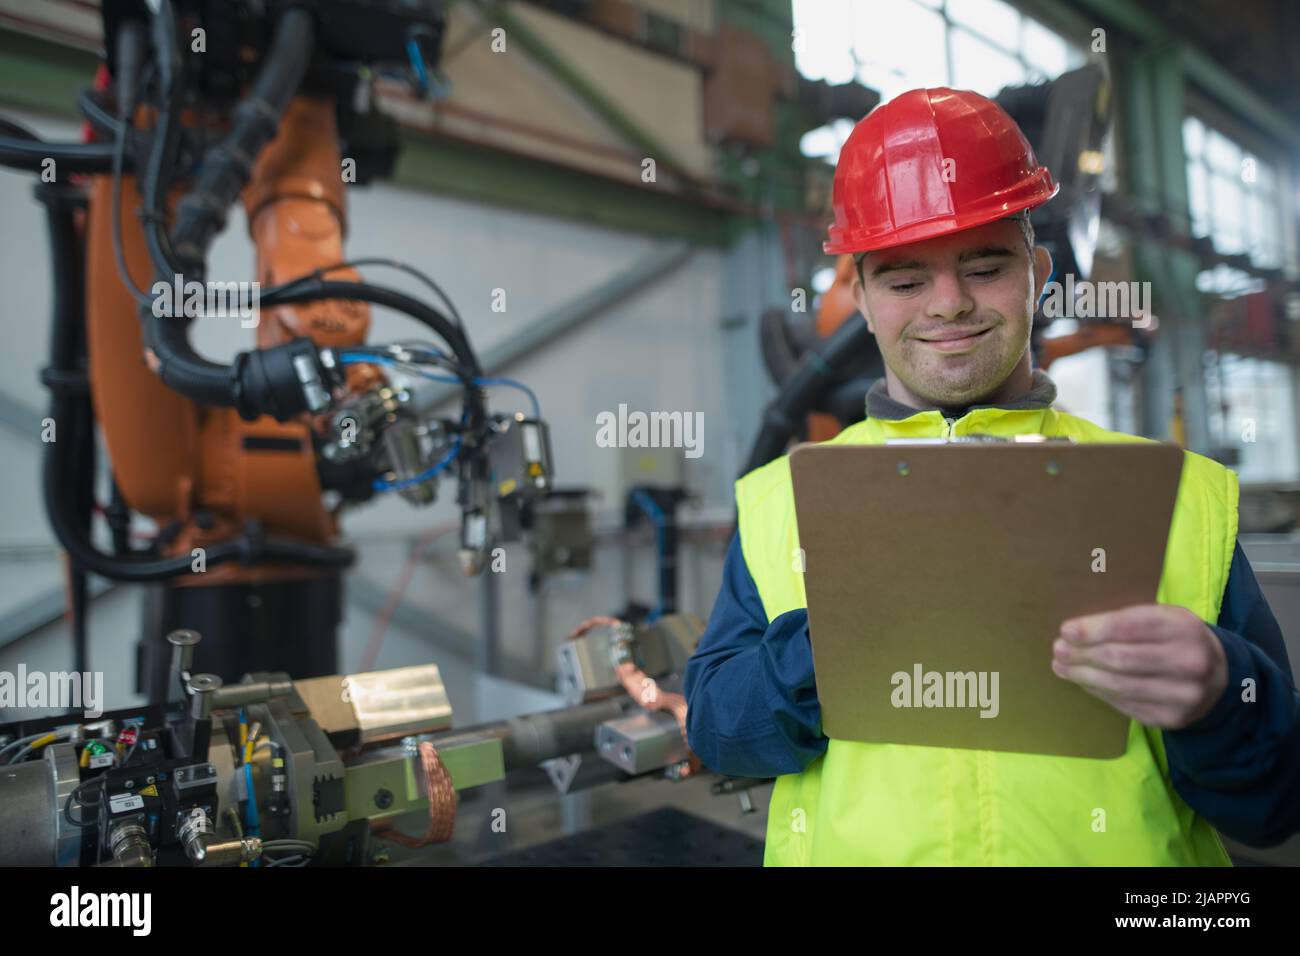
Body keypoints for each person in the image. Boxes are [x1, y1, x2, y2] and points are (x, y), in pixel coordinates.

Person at [684, 87, 1300, 866]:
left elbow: (1276, 804)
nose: (951, 304)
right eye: (906, 281)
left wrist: (1221, 697)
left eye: (985, 265)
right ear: (864, 301)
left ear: (1037, 272)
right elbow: (721, 733)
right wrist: (837, 639)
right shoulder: (783, 500)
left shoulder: (1178, 498)